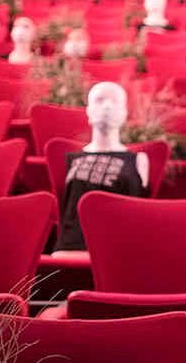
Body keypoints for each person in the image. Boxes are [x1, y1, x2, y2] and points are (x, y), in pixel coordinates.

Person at [52, 82, 149, 253]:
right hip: (71, 249)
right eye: (99, 100)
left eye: (114, 101)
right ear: (88, 109)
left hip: (120, 251)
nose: (107, 106)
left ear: (124, 112)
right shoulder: (69, 159)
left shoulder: (139, 161)